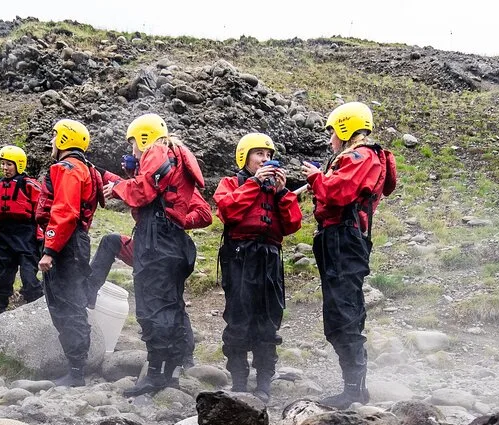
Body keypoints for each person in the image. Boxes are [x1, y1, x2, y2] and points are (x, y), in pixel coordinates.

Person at [301, 101, 397, 409]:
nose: (331, 139)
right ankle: (355, 388)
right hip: (341, 239)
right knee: (341, 312)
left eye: (332, 132)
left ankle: (354, 391)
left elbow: (338, 192)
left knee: (344, 313)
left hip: (343, 239)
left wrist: (316, 178)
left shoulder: (360, 155)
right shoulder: (364, 157)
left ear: (345, 129)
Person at [103, 113, 205, 396]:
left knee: (152, 308)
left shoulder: (156, 149)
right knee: (171, 307)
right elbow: (158, 189)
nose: (133, 150)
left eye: (133, 143)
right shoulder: (175, 153)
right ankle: (170, 373)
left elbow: (143, 191)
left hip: (155, 240)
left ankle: (155, 375)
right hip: (173, 240)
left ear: (143, 137)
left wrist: (117, 188)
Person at [213, 133, 302, 403]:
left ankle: (264, 382)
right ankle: (239, 381)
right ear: (245, 157)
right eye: (259, 154)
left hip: (269, 260)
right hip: (240, 258)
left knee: (267, 322)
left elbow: (292, 224)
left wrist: (283, 193)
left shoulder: (277, 191)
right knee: (238, 319)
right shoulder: (232, 183)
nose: (265, 159)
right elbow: (227, 210)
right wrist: (254, 184)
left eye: (268, 155)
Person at [35, 119, 104, 387]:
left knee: (68, 305)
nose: (52, 142)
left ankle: (76, 373)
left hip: (67, 243)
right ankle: (75, 368)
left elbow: (65, 211)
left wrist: (50, 250)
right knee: (66, 303)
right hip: (73, 241)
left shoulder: (68, 169)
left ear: (65, 139)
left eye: (55, 136)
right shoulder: (83, 167)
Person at [0, 145, 43, 320]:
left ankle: (40, 317)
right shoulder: (0, 184)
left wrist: (42, 240)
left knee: (29, 279)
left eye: (9, 164)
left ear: (19, 165)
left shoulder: (30, 184)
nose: (5, 168)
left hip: (26, 237)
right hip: (3, 237)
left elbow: (42, 213)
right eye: (2, 164)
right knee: (1, 280)